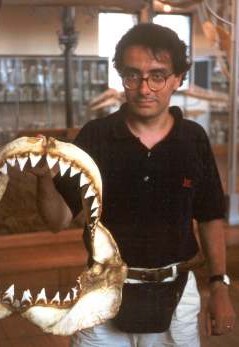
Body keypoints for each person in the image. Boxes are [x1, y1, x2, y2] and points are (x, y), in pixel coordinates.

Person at [34, 23, 236, 346]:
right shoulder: (96, 137)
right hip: (102, 294)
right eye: (133, 75)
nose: (144, 88)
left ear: (177, 79)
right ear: (121, 77)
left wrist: (219, 285)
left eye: (157, 75)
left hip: (176, 297)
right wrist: (45, 179)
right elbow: (57, 220)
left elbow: (210, 217)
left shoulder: (193, 139)